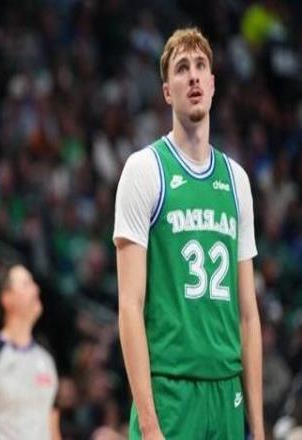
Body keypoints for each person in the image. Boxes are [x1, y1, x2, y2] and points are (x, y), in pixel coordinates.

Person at [113, 28, 264, 439]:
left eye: (200, 67)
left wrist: (258, 427)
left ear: (212, 84)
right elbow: (129, 306)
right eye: (182, 68)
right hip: (171, 390)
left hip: (227, 390)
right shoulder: (145, 169)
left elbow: (248, 314)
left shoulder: (237, 180)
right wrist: (149, 423)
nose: (193, 76)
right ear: (167, 91)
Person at [0, 264, 61, 440]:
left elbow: (53, 429)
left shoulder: (47, 359)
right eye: (26, 284)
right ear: (6, 298)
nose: (36, 289)